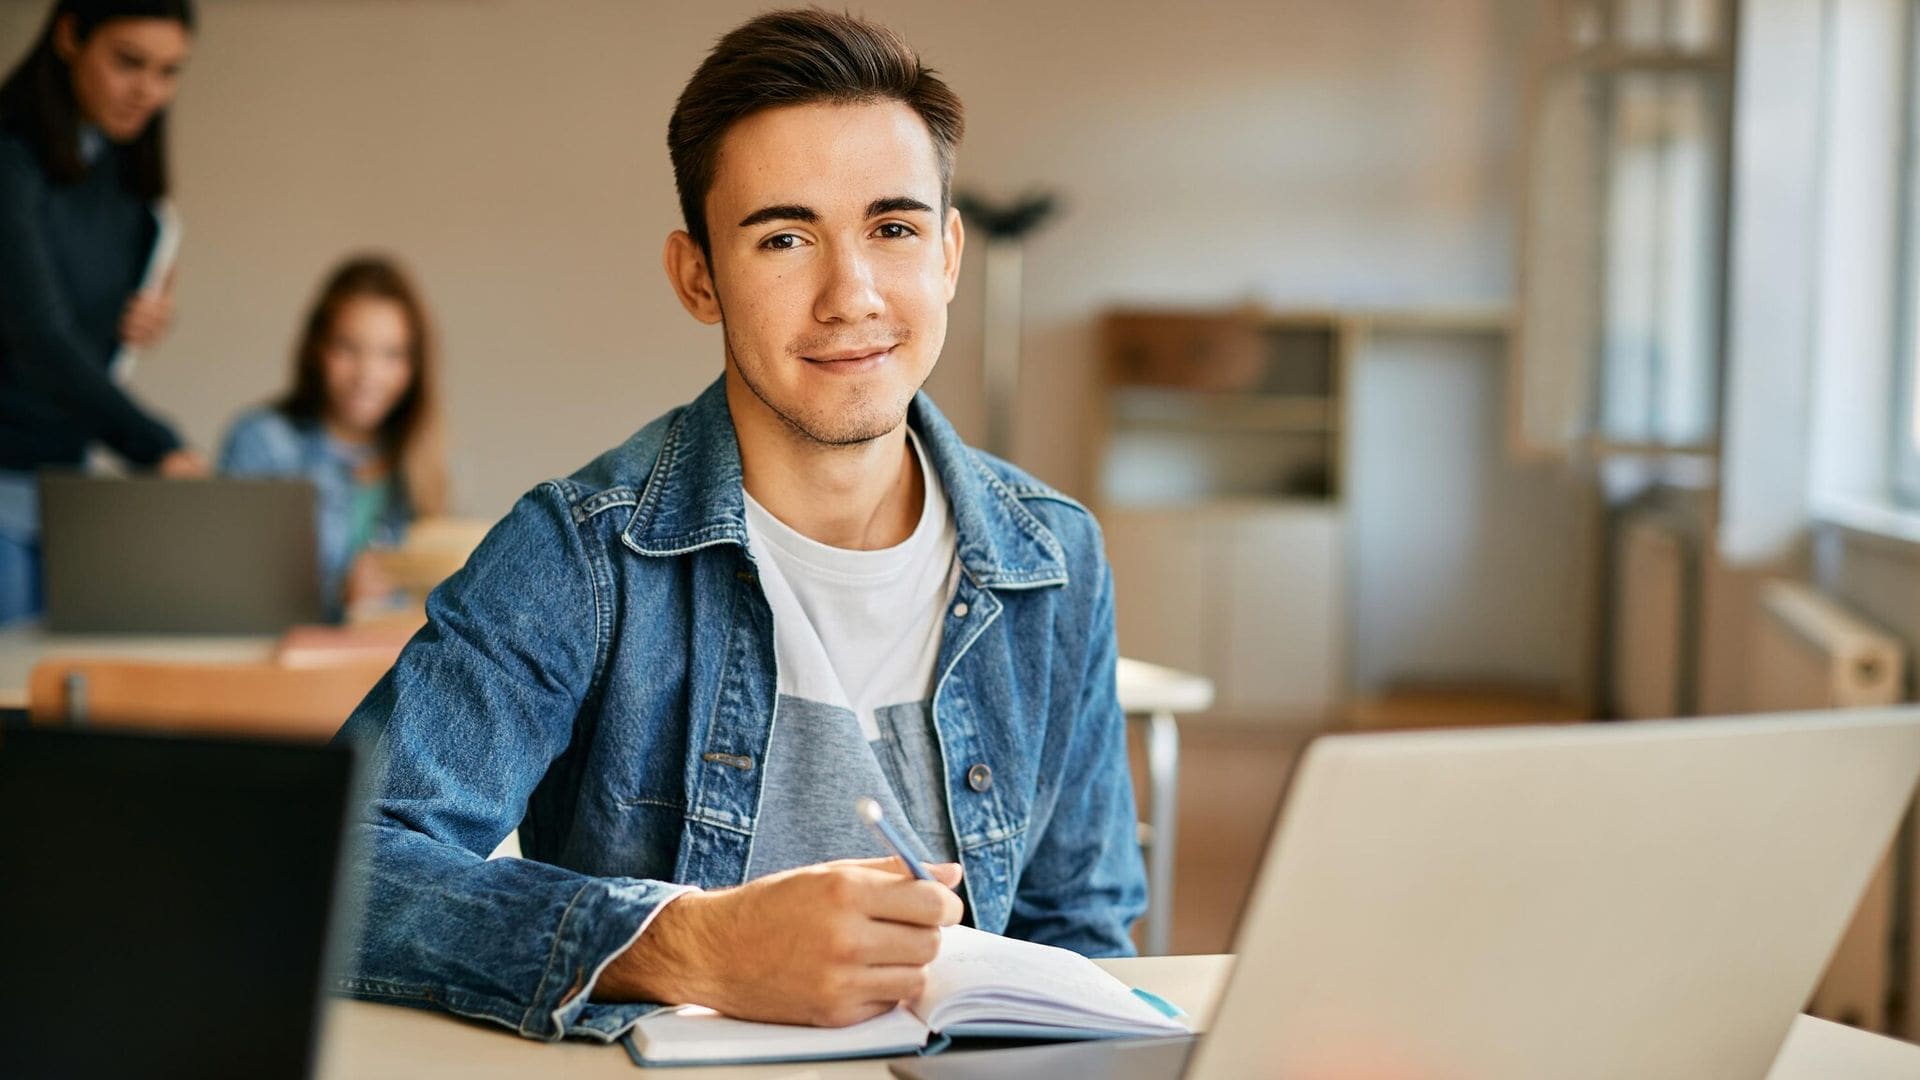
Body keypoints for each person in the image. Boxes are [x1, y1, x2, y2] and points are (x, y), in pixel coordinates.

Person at [337, 8, 1144, 1044]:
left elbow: (1080, 937)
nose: (850, 295)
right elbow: (342, 862)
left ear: (948, 255)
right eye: (785, 237)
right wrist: (689, 945)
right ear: (698, 277)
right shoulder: (581, 553)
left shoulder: (1054, 558)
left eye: (893, 229)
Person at [0, 0, 207, 623]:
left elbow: (80, 331)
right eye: (128, 62)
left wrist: (144, 314)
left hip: (64, 494)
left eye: (169, 72)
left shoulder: (122, 184)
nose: (148, 91)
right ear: (69, 36)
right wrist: (158, 446)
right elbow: (39, 338)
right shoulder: (9, 161)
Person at [219, 256, 448, 621]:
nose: (368, 375)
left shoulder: (419, 461)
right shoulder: (262, 442)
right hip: (288, 671)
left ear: (414, 366)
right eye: (348, 348)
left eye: (392, 354)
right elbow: (228, 594)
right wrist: (338, 599)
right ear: (317, 349)